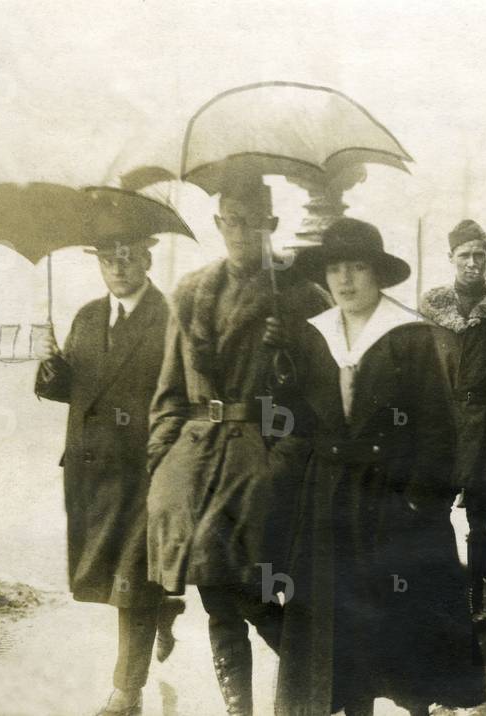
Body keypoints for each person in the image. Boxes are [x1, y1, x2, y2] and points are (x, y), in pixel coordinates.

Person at [274, 218, 486, 716]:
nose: (345, 280)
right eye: (335, 269)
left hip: (394, 500)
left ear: (377, 273)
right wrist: (278, 368)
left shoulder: (408, 335)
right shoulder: (313, 337)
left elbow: (436, 427)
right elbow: (296, 420)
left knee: (404, 624)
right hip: (331, 501)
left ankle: (417, 707)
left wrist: (419, 501)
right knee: (342, 631)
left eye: (357, 267)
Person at [145, 173, 331, 716]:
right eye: (230, 221)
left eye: (252, 222)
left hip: (263, 461)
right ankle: (240, 709)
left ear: (271, 224)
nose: (241, 232)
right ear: (218, 223)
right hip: (197, 462)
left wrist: (289, 352)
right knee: (216, 597)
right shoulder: (190, 294)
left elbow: (321, 394)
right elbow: (169, 391)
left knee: (252, 590)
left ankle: (324, 679)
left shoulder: (301, 296)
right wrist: (161, 461)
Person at [35, 233, 184, 716]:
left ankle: (127, 689)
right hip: (90, 472)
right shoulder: (87, 317)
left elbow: (183, 395)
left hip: (143, 471)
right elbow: (75, 391)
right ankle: (164, 605)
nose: (117, 269)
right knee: (110, 578)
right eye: (107, 261)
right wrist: (50, 364)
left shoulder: (169, 318)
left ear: (146, 260)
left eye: (126, 259)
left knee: (132, 578)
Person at [419, 219, 486, 631]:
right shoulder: (432, 311)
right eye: (463, 255)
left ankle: (475, 596)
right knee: (434, 511)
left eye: (478, 255)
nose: (471, 263)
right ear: (451, 258)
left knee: (480, 516)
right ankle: (444, 591)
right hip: (444, 422)